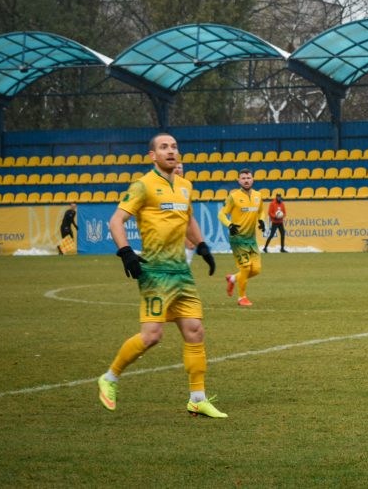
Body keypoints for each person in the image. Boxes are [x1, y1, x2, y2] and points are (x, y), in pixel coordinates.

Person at [97, 133, 226, 418]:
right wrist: (126, 253)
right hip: (155, 272)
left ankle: (197, 398)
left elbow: (188, 218)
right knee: (152, 336)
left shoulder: (184, 186)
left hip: (181, 272)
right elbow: (116, 220)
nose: (171, 151)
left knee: (195, 330)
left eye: (174, 146)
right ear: (152, 156)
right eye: (164, 147)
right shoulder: (143, 185)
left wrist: (202, 246)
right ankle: (110, 377)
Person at [219, 168, 265, 307]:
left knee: (256, 269)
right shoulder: (233, 197)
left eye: (248, 178)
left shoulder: (258, 195)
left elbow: (261, 211)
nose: (246, 180)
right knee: (245, 268)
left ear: (253, 179)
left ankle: (233, 279)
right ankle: (242, 298)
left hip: (251, 239)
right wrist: (229, 225)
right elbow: (221, 214)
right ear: (239, 180)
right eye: (243, 178)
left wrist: (261, 220)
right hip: (237, 238)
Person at [174, 164, 196, 265]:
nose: (177, 169)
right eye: (175, 167)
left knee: (191, 245)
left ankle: (184, 268)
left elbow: (188, 203)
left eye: (180, 168)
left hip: (184, 219)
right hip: (170, 221)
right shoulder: (166, 184)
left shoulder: (187, 185)